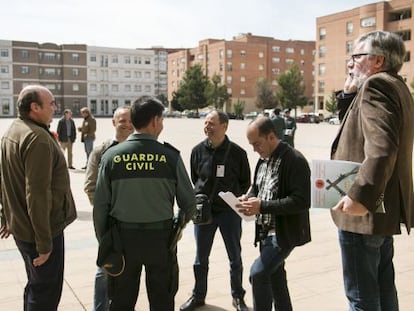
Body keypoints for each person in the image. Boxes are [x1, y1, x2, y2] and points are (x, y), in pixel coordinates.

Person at [330, 31, 414, 311]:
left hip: (364, 212)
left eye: (357, 56)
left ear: (378, 60)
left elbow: (382, 148)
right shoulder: (395, 85)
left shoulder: (377, 85)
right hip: (381, 210)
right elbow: (357, 131)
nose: (351, 63)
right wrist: (348, 96)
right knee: (382, 287)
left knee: (361, 296)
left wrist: (360, 197)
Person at [93, 96, 196, 311]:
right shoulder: (170, 157)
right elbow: (189, 205)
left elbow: (100, 205)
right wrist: (177, 225)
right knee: (162, 299)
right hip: (160, 240)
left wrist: (106, 240)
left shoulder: (112, 157)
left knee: (121, 300)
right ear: (155, 121)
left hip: (122, 240)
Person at [0, 85, 77, 310]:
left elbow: (4, 178)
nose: (55, 108)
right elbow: (37, 193)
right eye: (51, 104)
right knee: (45, 293)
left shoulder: (14, 130)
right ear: (35, 107)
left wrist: (6, 215)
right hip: (41, 232)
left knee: (36, 286)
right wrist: (45, 244)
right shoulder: (37, 139)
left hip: (23, 227)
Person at [180, 111, 251, 311]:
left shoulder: (238, 153)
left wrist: (233, 197)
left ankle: (238, 297)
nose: (207, 127)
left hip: (230, 212)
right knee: (200, 259)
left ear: (225, 126)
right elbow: (196, 179)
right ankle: (198, 295)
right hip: (204, 213)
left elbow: (245, 181)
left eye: (212, 123)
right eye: (206, 123)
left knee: (234, 257)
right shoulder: (196, 151)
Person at [239, 116, 311, 311]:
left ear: (271, 136)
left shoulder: (295, 160)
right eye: (251, 145)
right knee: (276, 279)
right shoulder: (263, 160)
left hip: (283, 234)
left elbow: (302, 202)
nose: (254, 149)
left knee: (258, 273)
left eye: (257, 144)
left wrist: (262, 206)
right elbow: (258, 187)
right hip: (264, 233)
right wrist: (247, 198)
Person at [84, 106, 134, 311]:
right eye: (122, 120)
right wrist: (107, 213)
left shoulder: (141, 150)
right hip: (110, 224)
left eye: (131, 120)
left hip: (135, 223)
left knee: (130, 271)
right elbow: (90, 187)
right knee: (104, 269)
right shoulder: (101, 150)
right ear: (114, 123)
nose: (127, 124)